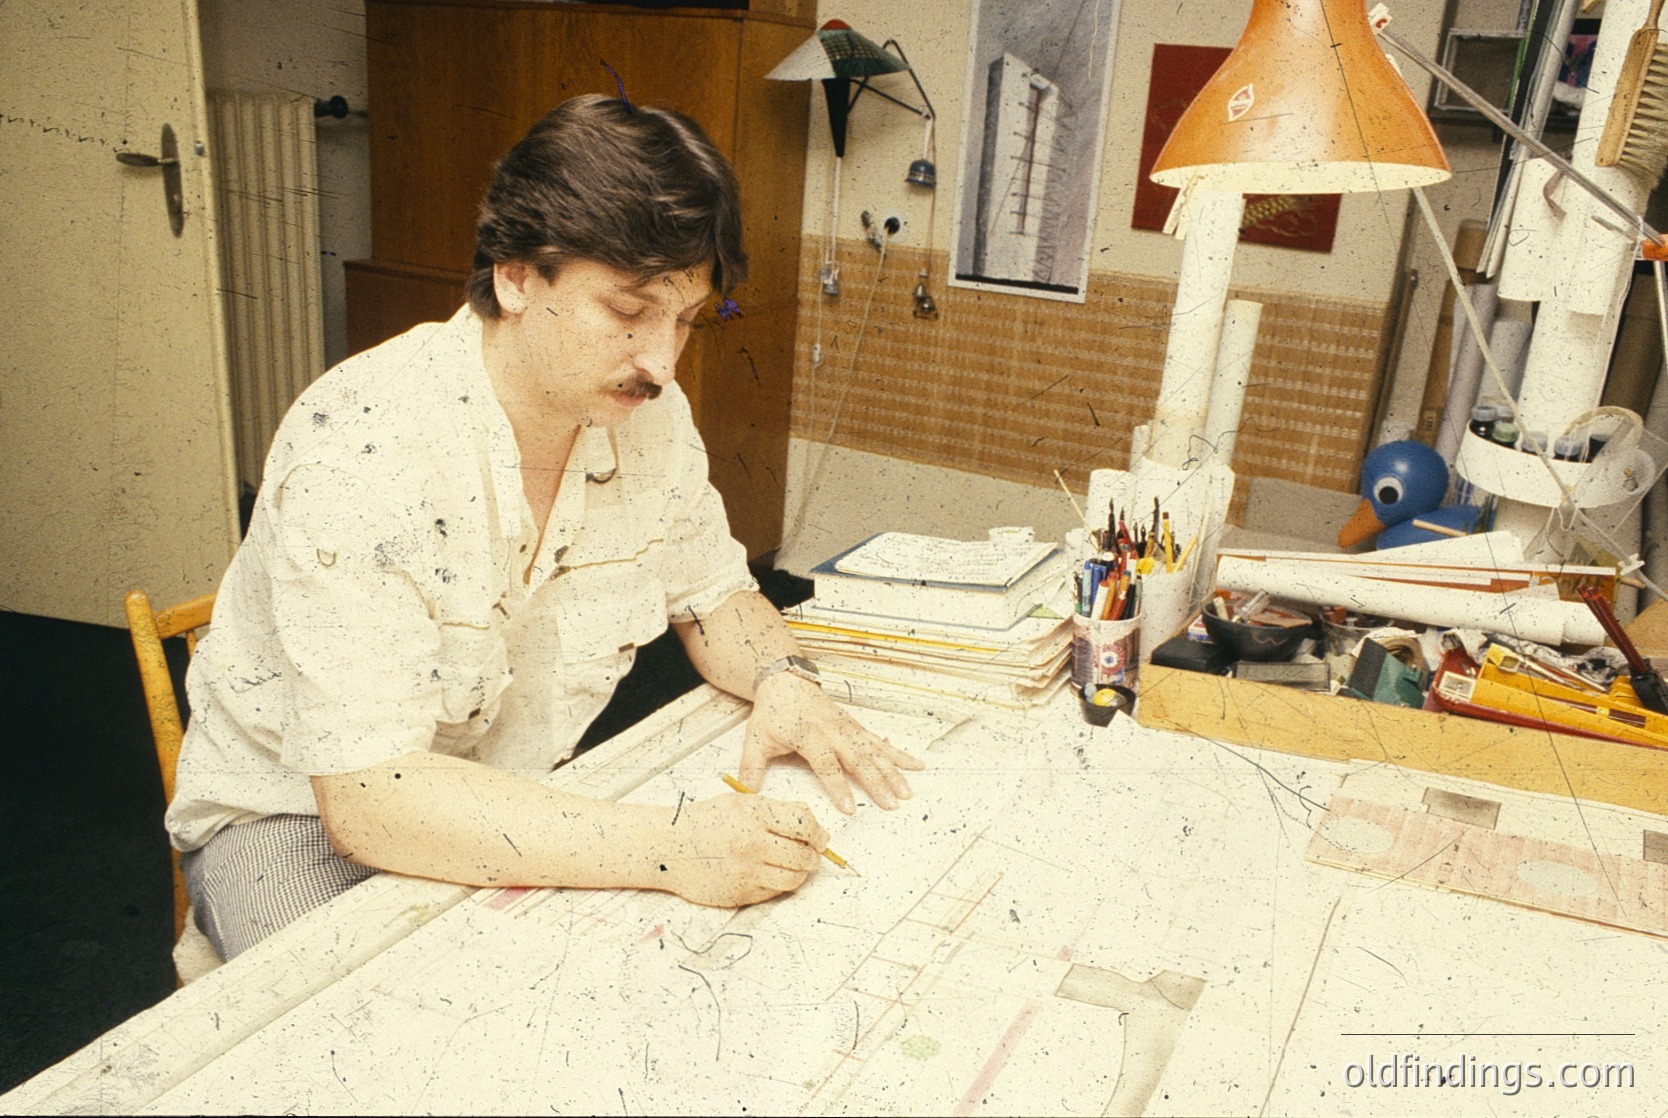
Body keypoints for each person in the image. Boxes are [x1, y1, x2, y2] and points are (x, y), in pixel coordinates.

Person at [167, 94, 923, 961]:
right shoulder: (363, 453)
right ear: (516, 274)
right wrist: (670, 848)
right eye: (630, 311)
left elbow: (715, 597)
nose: (662, 363)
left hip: (507, 790)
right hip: (297, 812)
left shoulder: (647, 412)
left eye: (684, 320)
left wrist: (786, 678)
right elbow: (372, 798)